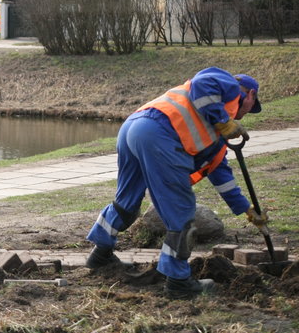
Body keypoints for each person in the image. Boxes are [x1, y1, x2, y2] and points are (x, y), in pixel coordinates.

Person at [85, 67, 268, 299]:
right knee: (181, 214)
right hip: (159, 133)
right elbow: (203, 82)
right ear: (250, 94)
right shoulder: (229, 85)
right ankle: (178, 281)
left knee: (127, 202)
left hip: (134, 127)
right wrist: (223, 121)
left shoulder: (215, 131)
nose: (247, 114)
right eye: (253, 106)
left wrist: (247, 210)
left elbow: (222, 176)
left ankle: (100, 254)